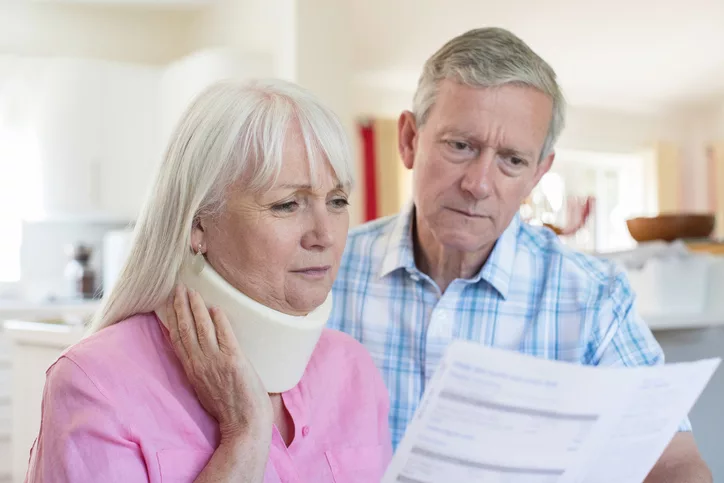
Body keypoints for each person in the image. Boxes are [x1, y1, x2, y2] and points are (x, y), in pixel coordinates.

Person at [329, 27, 712, 482]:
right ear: (410, 139)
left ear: (538, 173)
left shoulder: (594, 297)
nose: (479, 184)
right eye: (460, 146)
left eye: (511, 160)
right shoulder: (324, 270)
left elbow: (672, 461)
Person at [25, 79, 392, 482]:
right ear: (198, 223)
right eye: (287, 205)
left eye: (337, 201)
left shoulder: (353, 371)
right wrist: (245, 436)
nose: (325, 235)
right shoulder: (96, 382)